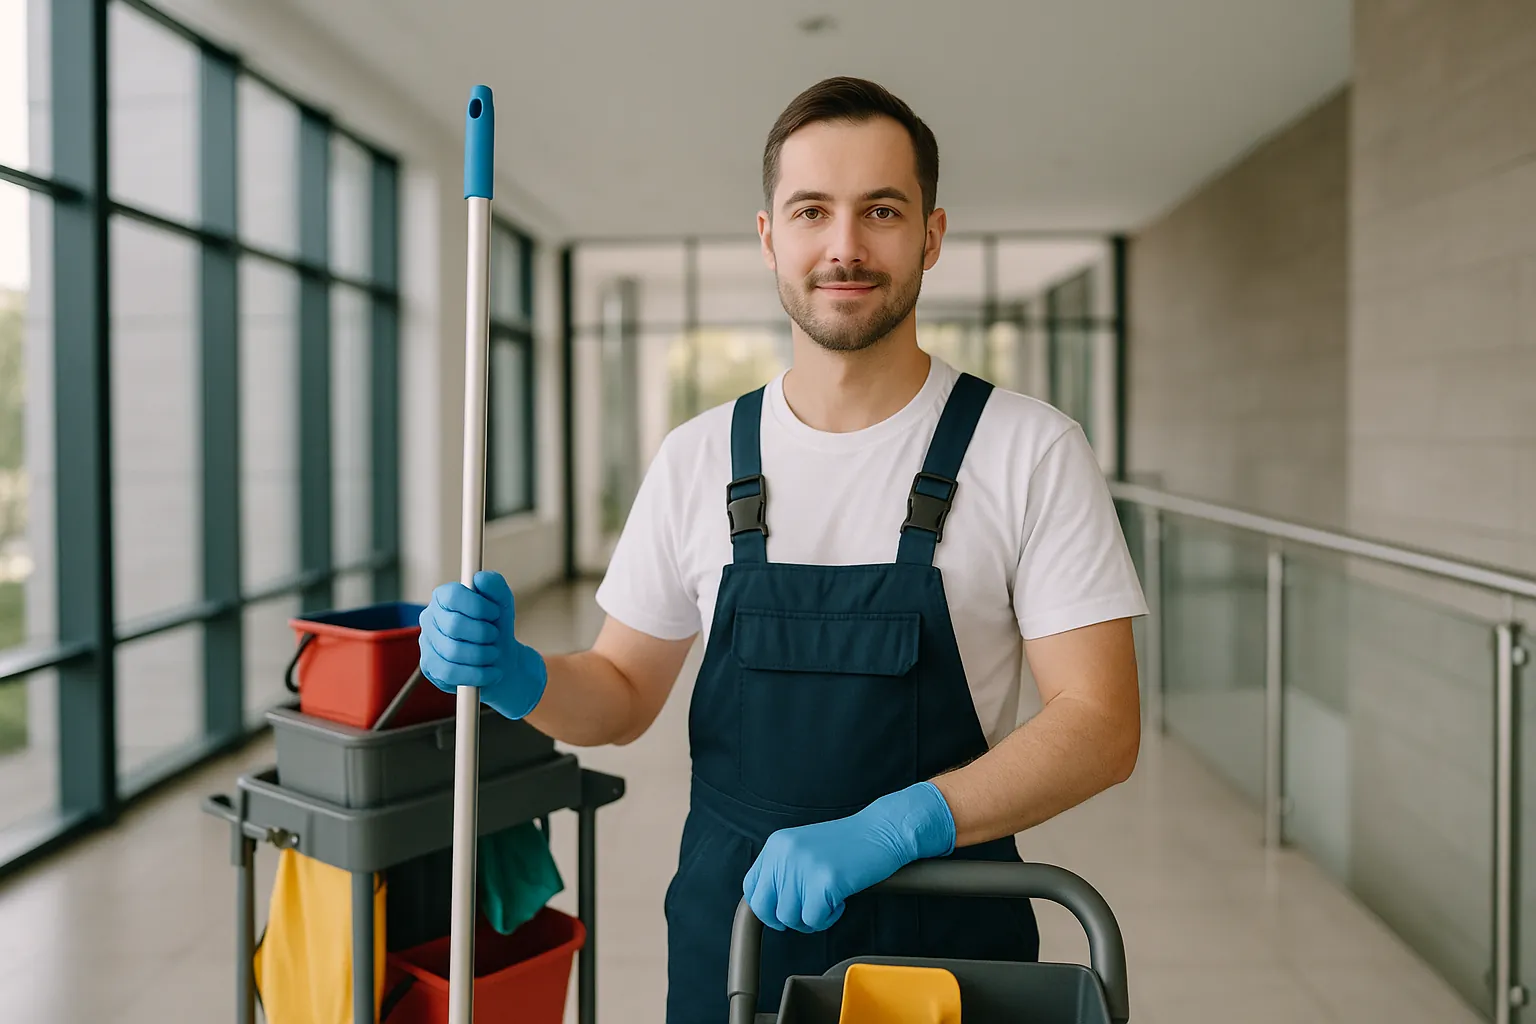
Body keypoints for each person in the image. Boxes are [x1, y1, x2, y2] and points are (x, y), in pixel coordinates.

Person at [418, 76, 1147, 1023]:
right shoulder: (697, 459)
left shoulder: (1028, 450)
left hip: (952, 938)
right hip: (735, 932)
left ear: (930, 235)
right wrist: (518, 674)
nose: (844, 246)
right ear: (771, 237)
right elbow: (622, 693)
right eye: (813, 211)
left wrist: (899, 825)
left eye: (880, 211)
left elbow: (1100, 722)